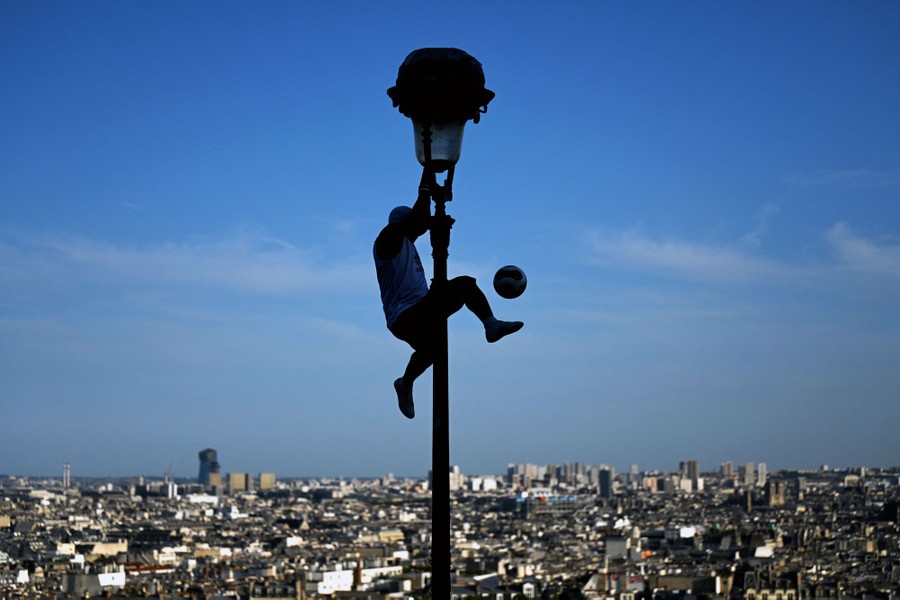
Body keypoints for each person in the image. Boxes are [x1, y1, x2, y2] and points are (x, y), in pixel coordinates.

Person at [374, 169, 523, 419]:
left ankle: (405, 383)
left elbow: (419, 224)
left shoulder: (407, 247)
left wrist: (436, 225)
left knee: (433, 349)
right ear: (401, 224)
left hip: (412, 313)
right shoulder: (387, 239)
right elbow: (419, 219)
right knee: (464, 285)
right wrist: (426, 180)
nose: (419, 230)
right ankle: (491, 325)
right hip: (407, 315)